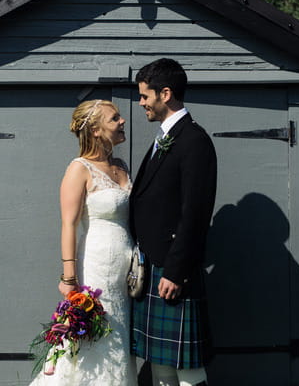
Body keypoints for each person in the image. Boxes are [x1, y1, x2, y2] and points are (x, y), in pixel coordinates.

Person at [30, 99, 137, 386]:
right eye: (115, 119)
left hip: (124, 273)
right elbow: (69, 224)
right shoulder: (79, 169)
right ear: (97, 130)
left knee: (119, 335)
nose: (123, 121)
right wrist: (69, 277)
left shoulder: (121, 165)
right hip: (96, 267)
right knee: (94, 337)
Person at [130, 58, 217, 386]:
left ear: (165, 94)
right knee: (161, 366)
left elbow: (195, 212)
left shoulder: (194, 141)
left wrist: (176, 271)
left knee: (187, 369)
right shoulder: (167, 137)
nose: (141, 103)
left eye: (144, 96)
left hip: (171, 269)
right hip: (154, 265)